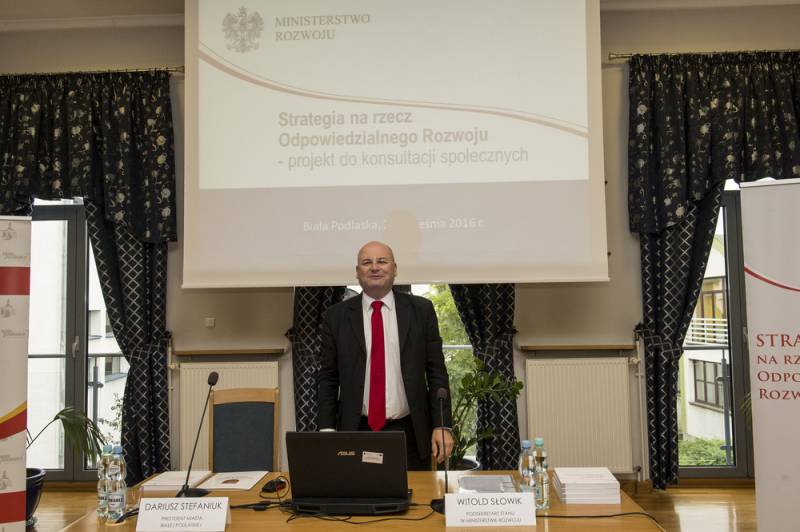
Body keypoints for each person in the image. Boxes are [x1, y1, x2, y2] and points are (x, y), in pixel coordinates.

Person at [317, 241, 454, 470]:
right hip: (355, 430)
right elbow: (328, 377)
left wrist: (442, 425)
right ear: (357, 272)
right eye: (366, 262)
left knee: (414, 492)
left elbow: (436, 371)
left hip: (409, 432)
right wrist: (327, 429)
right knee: (358, 492)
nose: (374, 267)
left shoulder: (421, 311)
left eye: (382, 261)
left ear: (395, 268)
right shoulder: (336, 316)